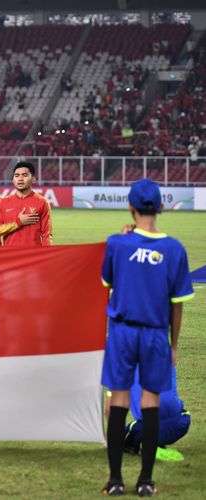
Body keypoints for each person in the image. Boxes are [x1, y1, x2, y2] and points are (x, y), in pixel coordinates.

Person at [100, 178, 195, 497]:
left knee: (120, 402)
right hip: (156, 334)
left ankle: (114, 481)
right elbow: (176, 304)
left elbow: (107, 283)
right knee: (151, 401)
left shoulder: (116, 243)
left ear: (130, 207)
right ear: (162, 208)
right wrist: (173, 346)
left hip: (123, 332)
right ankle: (146, 481)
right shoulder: (174, 249)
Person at [120, 367, 190, 462]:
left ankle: (148, 447)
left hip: (150, 428)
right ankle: (155, 444)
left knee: (122, 438)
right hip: (181, 423)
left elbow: (111, 411)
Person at [0, 162, 52, 246]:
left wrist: (46, 255)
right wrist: (18, 222)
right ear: (13, 180)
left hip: (33, 255)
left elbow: (47, 234)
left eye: (24, 175)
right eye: (17, 175)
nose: (20, 178)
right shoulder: (4, 202)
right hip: (11, 255)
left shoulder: (42, 202)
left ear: (33, 179)